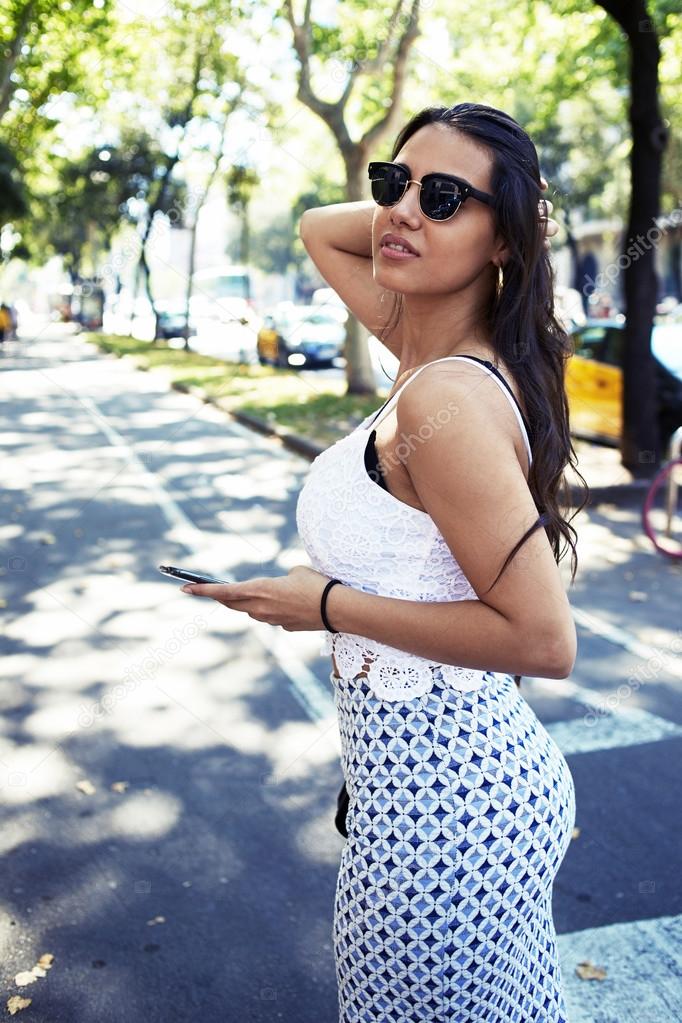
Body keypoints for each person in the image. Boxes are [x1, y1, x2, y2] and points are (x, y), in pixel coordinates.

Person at [180, 102, 589, 1022]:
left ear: (504, 240)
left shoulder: (445, 391)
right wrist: (419, 210)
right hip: (446, 796)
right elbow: (318, 232)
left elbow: (543, 637)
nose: (401, 210)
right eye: (391, 183)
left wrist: (326, 604)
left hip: (442, 817)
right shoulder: (428, 346)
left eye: (444, 197)